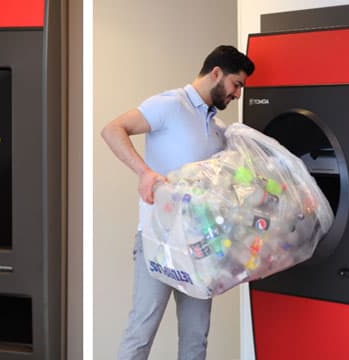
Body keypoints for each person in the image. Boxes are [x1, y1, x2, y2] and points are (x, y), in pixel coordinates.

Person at [101, 45, 254, 360]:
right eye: (236, 84)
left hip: (200, 248)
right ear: (216, 73)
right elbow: (112, 129)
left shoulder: (217, 128)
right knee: (141, 333)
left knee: (196, 340)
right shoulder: (170, 105)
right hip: (159, 242)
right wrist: (144, 173)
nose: (237, 94)